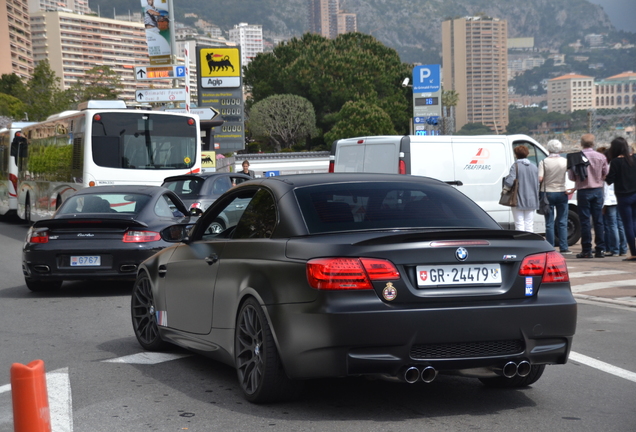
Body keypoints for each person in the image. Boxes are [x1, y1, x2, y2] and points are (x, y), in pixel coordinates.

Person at [568, 134, 608, 259]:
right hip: (597, 190)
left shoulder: (576, 157)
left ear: (581, 143)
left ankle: (586, 249)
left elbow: (571, 176)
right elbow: (606, 173)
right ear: (593, 144)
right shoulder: (601, 156)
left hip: (583, 191)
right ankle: (600, 249)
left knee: (585, 221)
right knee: (598, 220)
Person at [605, 136, 636, 261]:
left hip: (623, 197)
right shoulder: (634, 158)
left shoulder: (615, 162)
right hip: (635, 194)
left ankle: (634, 252)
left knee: (627, 224)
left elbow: (609, 180)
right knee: (634, 222)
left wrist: (604, 177)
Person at [538, 139, 571, 254]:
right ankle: (564, 247)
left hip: (547, 193)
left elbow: (540, 178)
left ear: (548, 149)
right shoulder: (565, 161)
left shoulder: (544, 161)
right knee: (562, 221)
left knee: (549, 222)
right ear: (560, 149)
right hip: (562, 191)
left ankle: (550, 246)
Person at [598, 146, 628, 257]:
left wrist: (604, 204)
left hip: (610, 200)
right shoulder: (621, 166)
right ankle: (623, 248)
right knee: (620, 225)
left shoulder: (608, 168)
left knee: (612, 225)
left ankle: (614, 249)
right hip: (619, 198)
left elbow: (606, 188)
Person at [504, 145, 539, 232]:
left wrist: (506, 179)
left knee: (519, 224)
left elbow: (509, 182)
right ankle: (530, 244)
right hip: (532, 199)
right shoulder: (534, 167)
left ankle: (521, 243)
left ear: (516, 155)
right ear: (527, 154)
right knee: (529, 224)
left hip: (518, 199)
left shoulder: (515, 166)